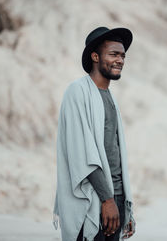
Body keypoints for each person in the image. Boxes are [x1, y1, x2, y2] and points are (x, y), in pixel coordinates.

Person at [53, 27, 136, 241]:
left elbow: (114, 153)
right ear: (95, 56)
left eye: (123, 55)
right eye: (114, 54)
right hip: (92, 199)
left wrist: (121, 204)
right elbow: (82, 153)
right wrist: (106, 200)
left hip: (115, 198)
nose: (120, 60)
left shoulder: (109, 98)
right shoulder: (77, 91)